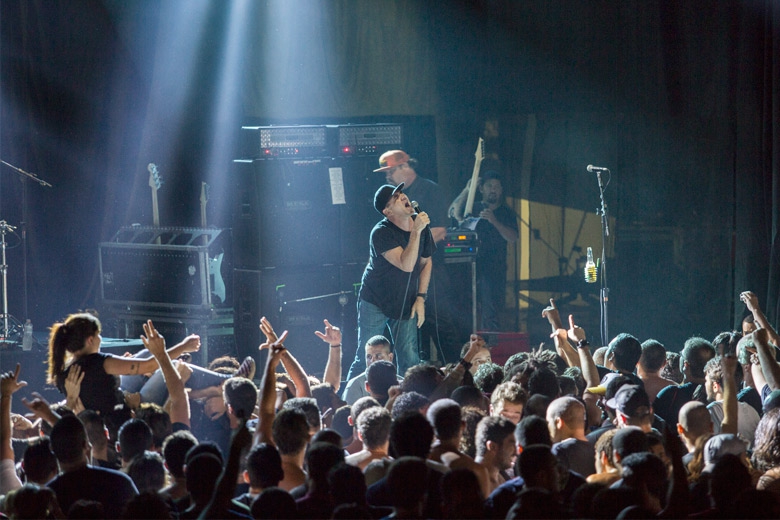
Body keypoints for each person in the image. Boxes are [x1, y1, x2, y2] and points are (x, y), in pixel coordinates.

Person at [46, 313, 249, 416]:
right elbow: (150, 365)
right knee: (171, 367)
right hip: (125, 409)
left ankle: (216, 387)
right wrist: (183, 346)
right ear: (89, 340)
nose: (100, 340)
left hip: (119, 393)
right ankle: (227, 380)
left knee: (143, 353)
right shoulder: (100, 362)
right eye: (98, 336)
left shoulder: (65, 371)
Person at [348, 182, 434, 379]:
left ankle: (410, 402)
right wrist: (416, 232)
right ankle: (350, 401)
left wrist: (421, 297)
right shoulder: (381, 233)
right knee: (367, 356)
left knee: (410, 358)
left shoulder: (420, 226)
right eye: (396, 197)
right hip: (375, 300)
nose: (403, 197)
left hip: (404, 299)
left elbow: (426, 262)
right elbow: (407, 264)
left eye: (402, 193)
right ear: (387, 211)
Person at [449, 170, 519, 331]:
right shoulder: (473, 208)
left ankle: (491, 345)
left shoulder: (506, 213)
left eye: (496, 186)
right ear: (481, 189)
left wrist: (494, 221)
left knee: (490, 309)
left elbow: (513, 237)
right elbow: (454, 214)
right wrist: (467, 190)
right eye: (489, 186)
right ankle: (468, 343)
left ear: (501, 190)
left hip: (494, 269)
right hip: (470, 267)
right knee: (466, 307)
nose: (493, 189)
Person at [341, 335, 402, 405]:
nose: (373, 360)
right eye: (369, 357)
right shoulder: (356, 385)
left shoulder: (402, 384)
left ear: (390, 357)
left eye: (378, 356)